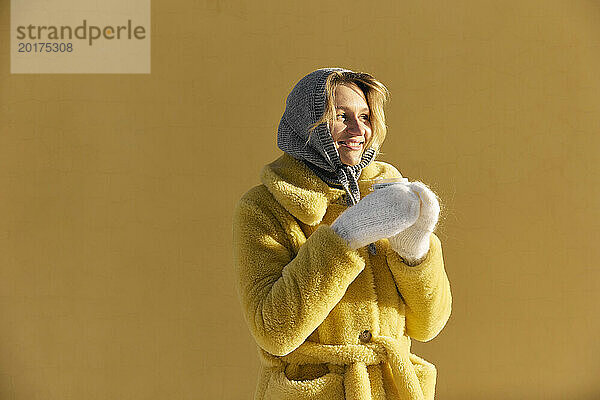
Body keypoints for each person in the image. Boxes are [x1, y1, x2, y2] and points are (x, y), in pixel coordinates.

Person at [232, 67, 452, 400]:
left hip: (394, 388)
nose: (358, 130)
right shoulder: (264, 207)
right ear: (309, 125)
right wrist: (345, 236)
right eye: (341, 116)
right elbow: (273, 331)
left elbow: (428, 326)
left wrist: (415, 250)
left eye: (365, 116)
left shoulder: (387, 192)